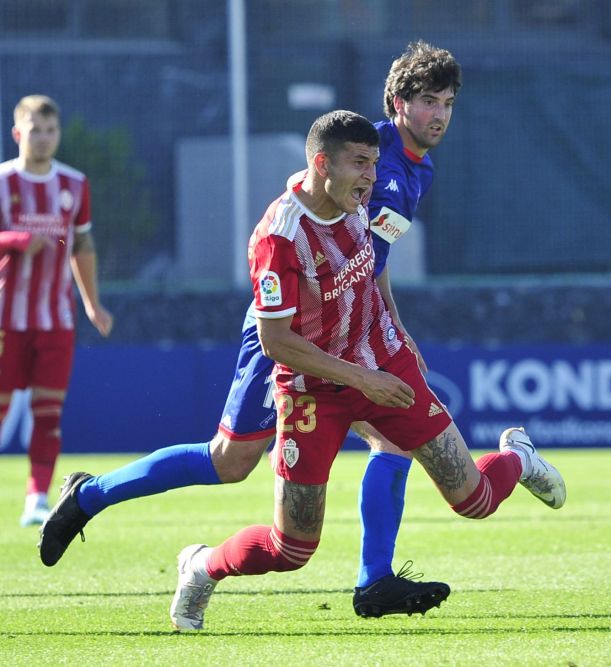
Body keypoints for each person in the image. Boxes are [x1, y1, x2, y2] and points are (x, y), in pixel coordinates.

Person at [40, 41, 462, 618]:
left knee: (392, 439)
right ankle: (90, 497)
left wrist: (392, 328)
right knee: (229, 462)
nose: (438, 113)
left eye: (448, 102)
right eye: (427, 101)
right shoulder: (371, 159)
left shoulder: (419, 168)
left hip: (350, 330)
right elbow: (314, 196)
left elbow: (374, 259)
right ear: (396, 104)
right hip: (294, 332)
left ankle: (375, 580)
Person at [169, 109, 565, 631]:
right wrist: (361, 379)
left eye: (375, 164)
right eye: (360, 164)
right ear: (320, 164)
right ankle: (200, 567)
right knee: (291, 548)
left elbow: (376, 266)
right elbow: (274, 340)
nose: (371, 178)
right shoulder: (278, 237)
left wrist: (398, 334)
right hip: (312, 389)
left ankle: (518, 455)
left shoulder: (365, 201)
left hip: (385, 361)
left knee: (476, 500)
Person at [0, 95, 113, 527]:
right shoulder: (4, 181)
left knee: (48, 413)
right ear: (17, 134)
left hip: (55, 321)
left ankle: (36, 500)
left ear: (58, 134)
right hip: (6, 320)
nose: (43, 139)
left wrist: (91, 303)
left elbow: (81, 244)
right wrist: (16, 240)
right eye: (35, 131)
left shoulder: (73, 183)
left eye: (50, 130)